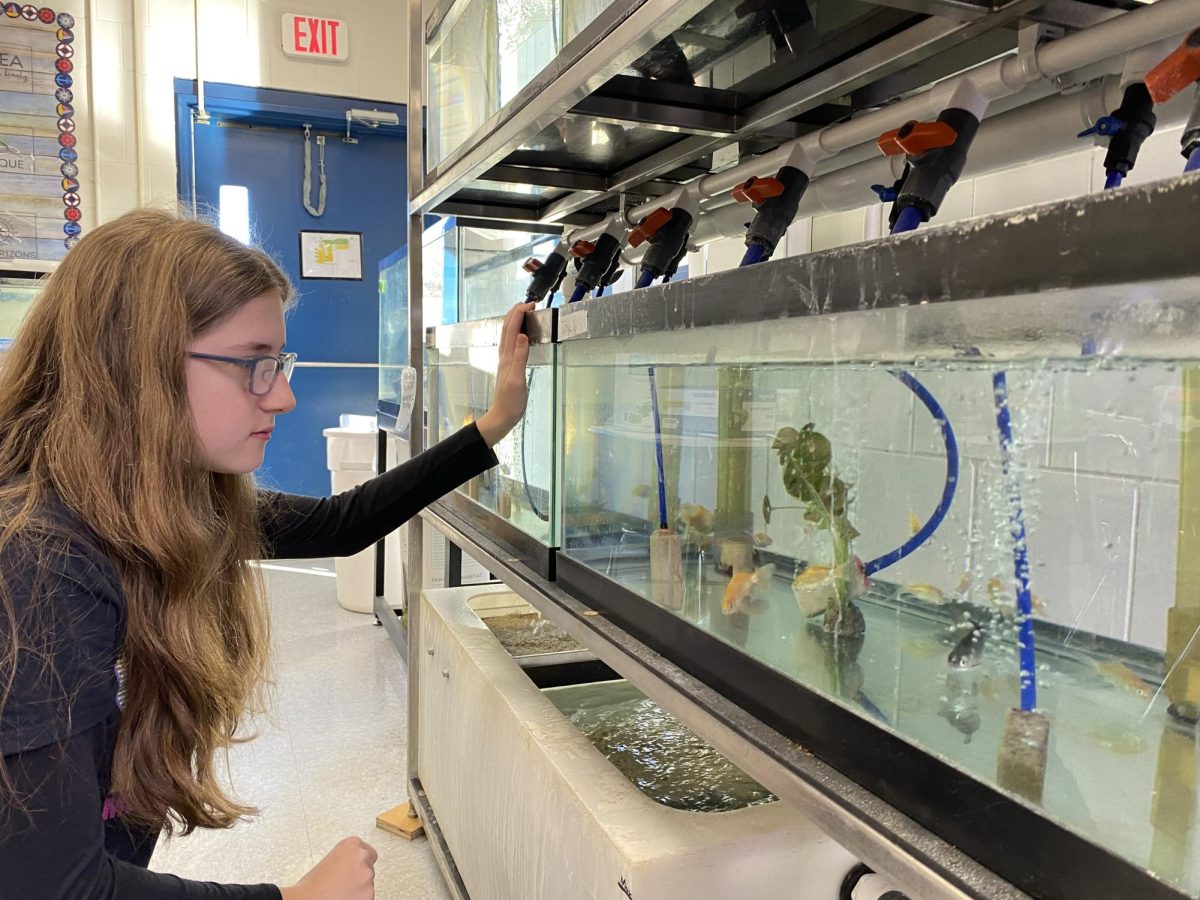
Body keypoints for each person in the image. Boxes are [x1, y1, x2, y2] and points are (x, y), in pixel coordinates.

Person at [0, 208, 534, 898]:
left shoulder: (163, 503)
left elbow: (345, 522)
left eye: (277, 363)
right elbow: (51, 887)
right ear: (136, 363)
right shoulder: (39, 560)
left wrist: (494, 424)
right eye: (253, 364)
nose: (281, 396)